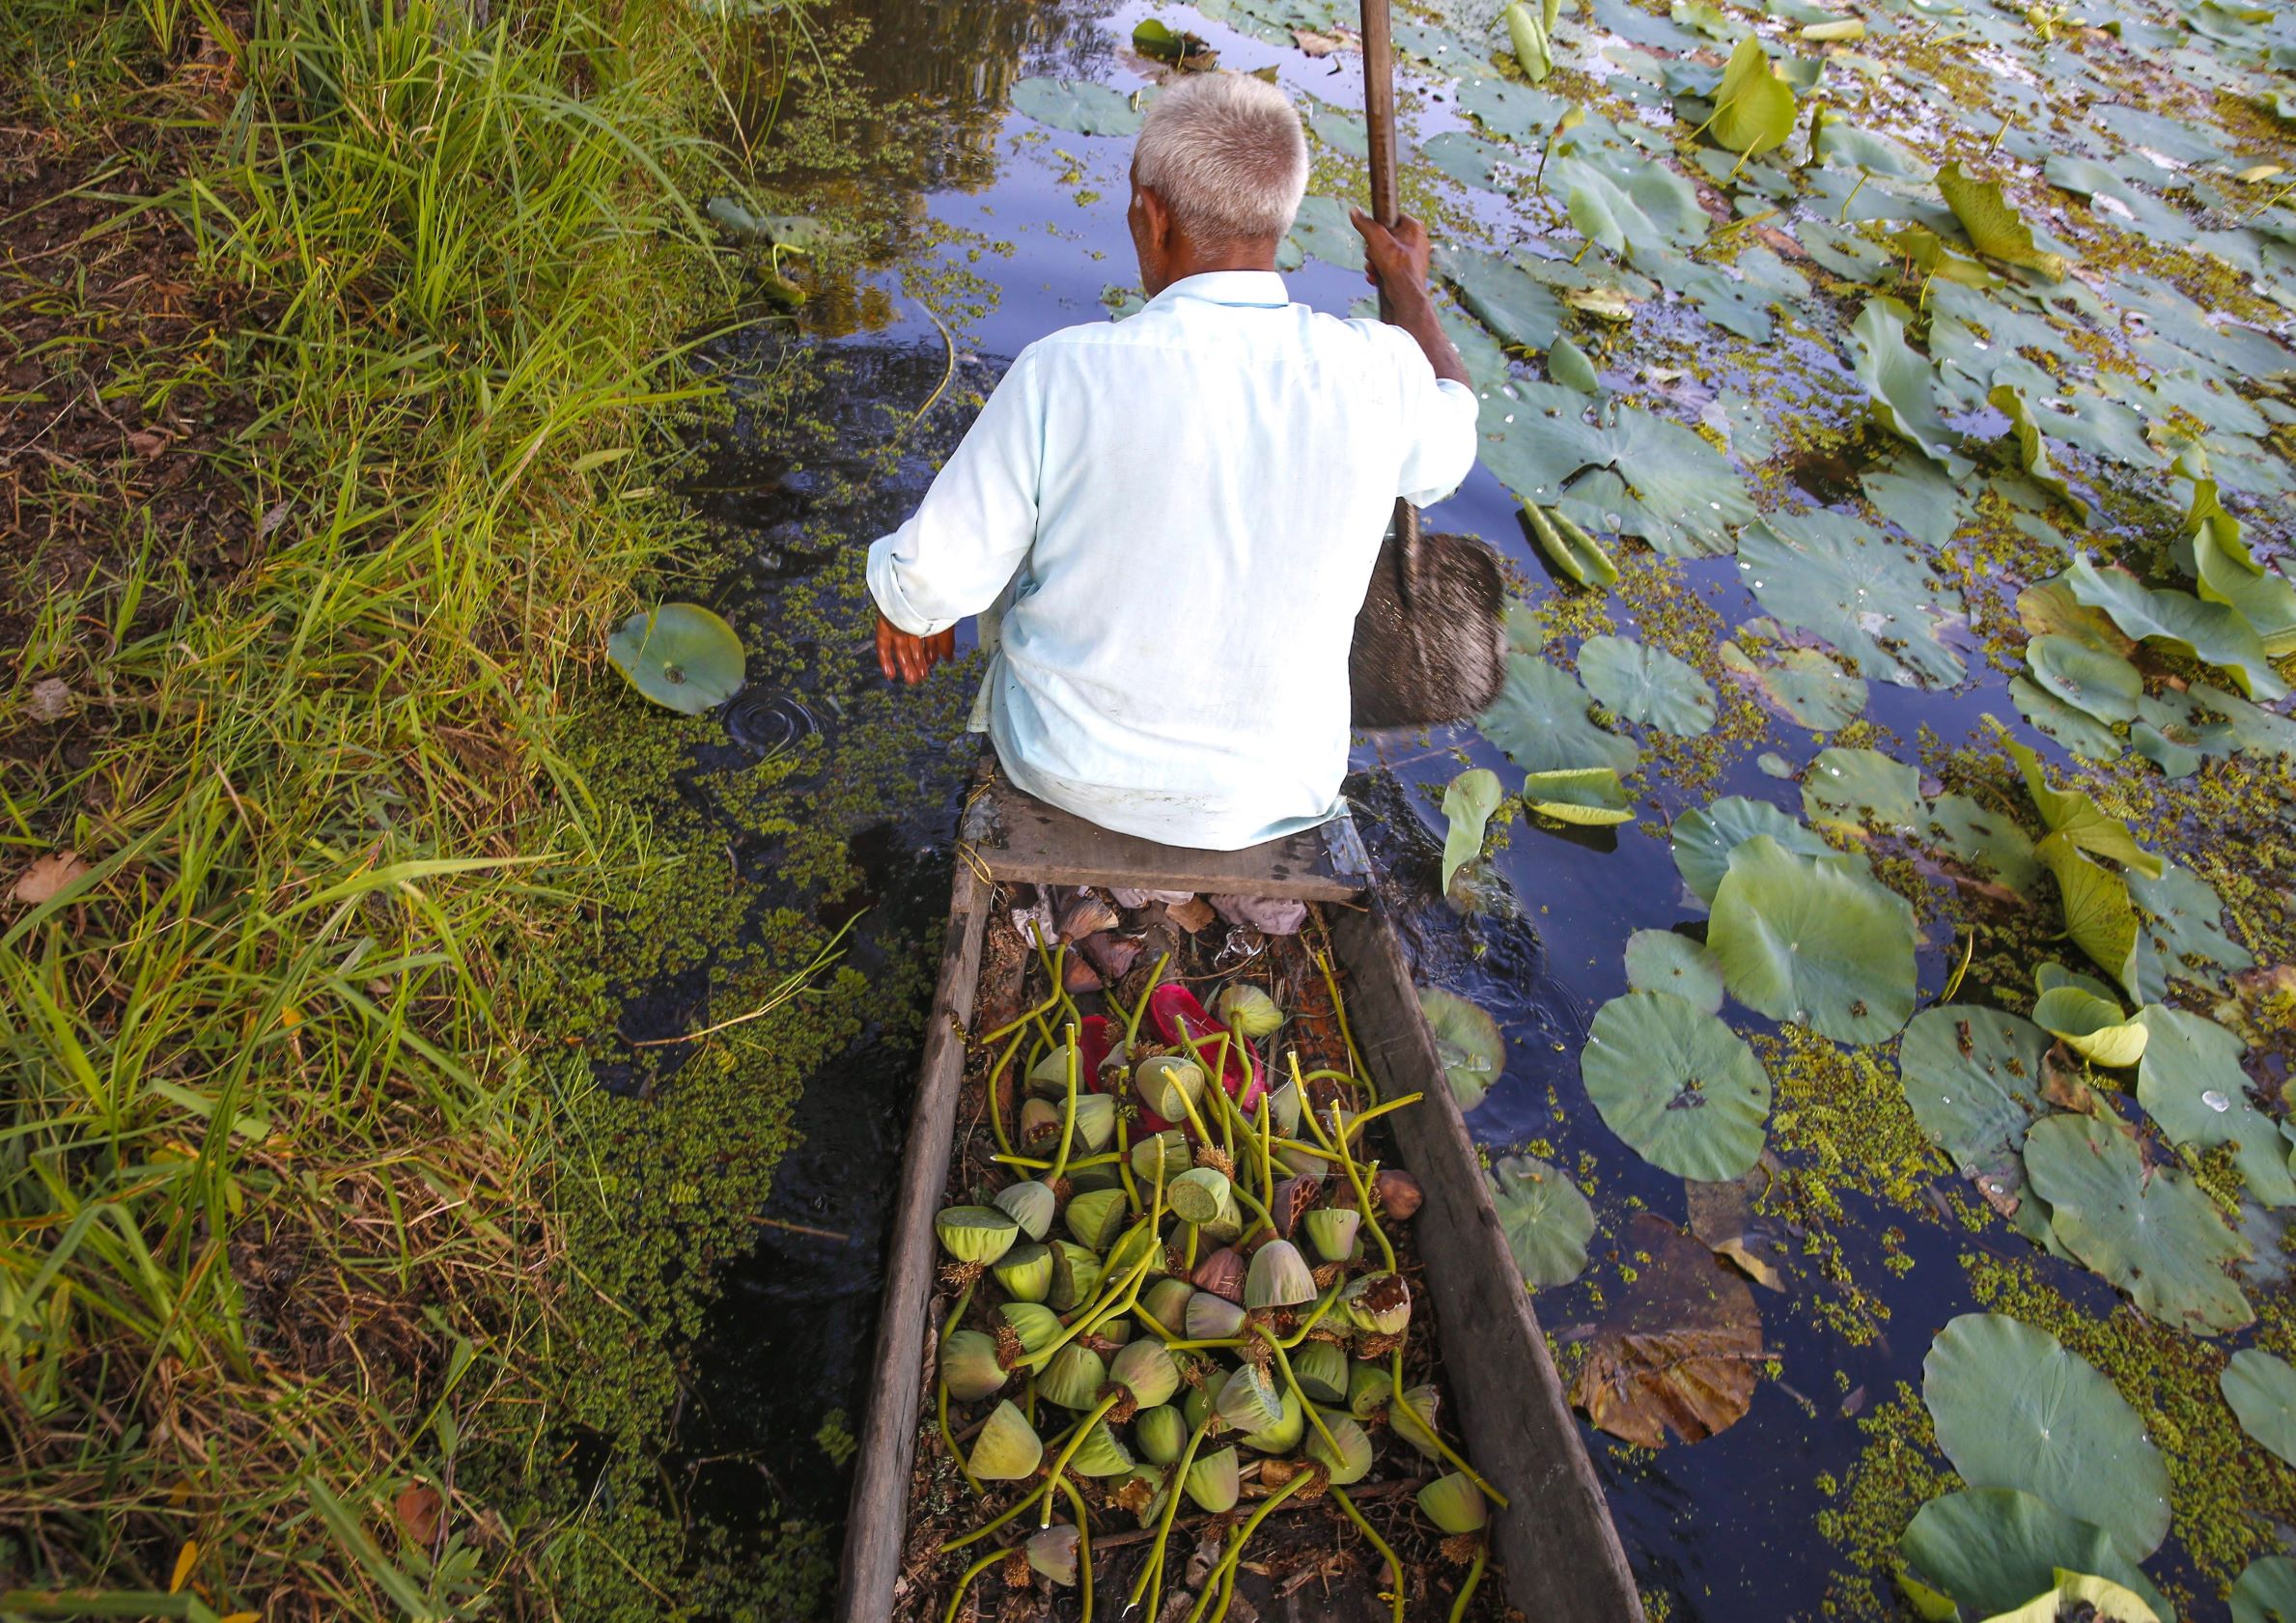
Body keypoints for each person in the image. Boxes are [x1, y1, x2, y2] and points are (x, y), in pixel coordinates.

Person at [866, 72, 1477, 851]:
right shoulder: (1378, 370)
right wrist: (1410, 291)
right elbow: (1453, 433)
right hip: (1277, 792)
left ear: (1150, 216)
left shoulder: (1067, 371)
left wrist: (907, 608)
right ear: (1279, 219)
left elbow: (925, 580)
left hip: (1064, 767)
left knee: (1023, 548)